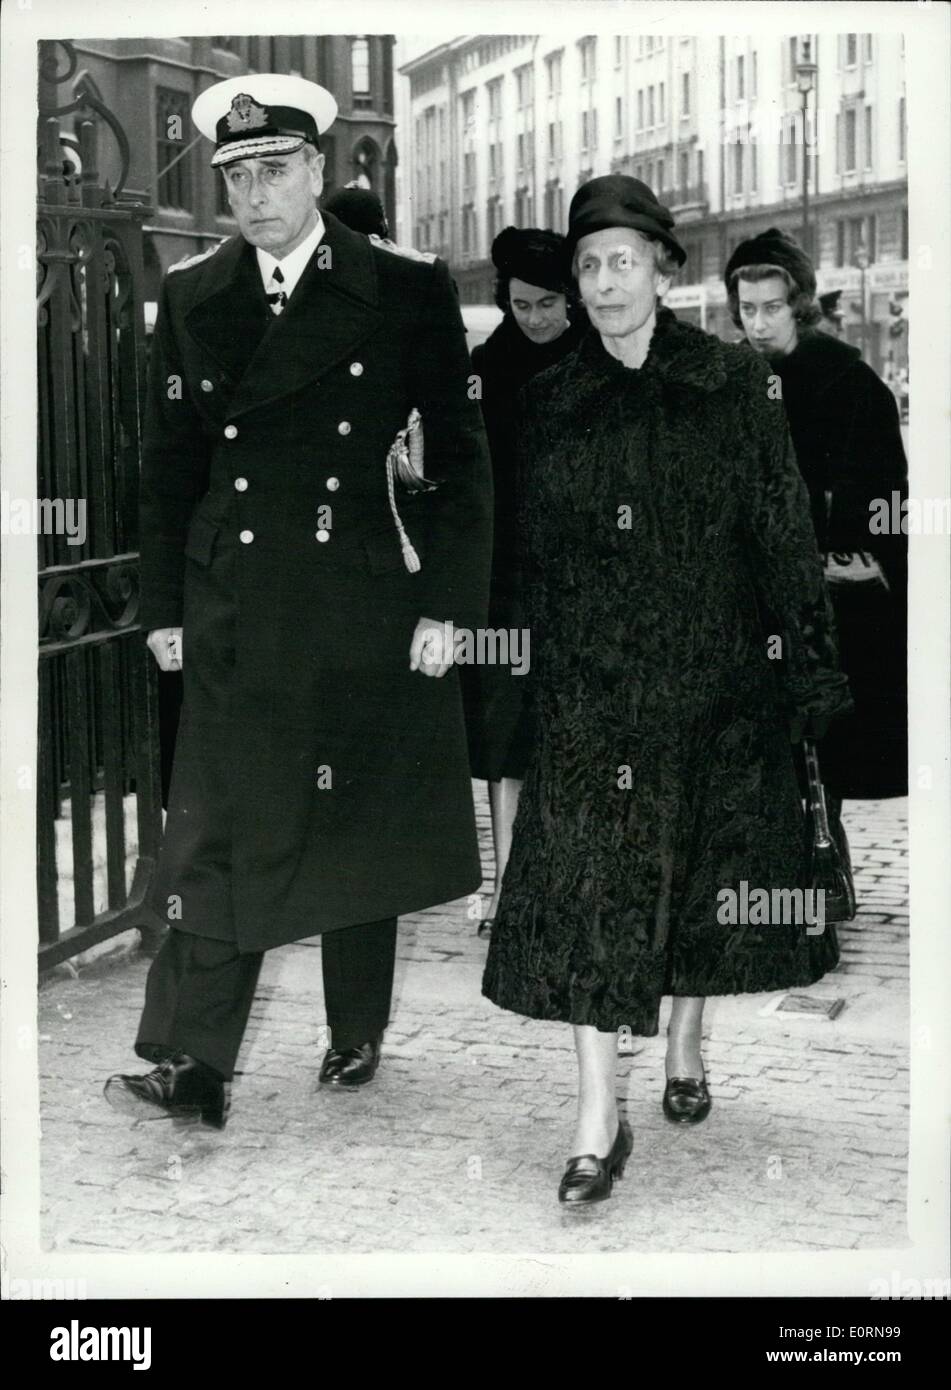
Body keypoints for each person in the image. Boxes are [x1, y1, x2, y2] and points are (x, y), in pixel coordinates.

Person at [104, 74, 492, 1127]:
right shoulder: (193, 295)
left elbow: (461, 460)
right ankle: (193, 1061)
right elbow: (169, 465)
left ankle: (354, 1026)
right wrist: (165, 608)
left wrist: (446, 607)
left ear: (319, 169)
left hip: (361, 590)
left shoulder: (405, 289)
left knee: (353, 819)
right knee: (215, 832)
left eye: (276, 169)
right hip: (236, 602)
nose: (257, 195)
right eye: (237, 177)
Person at [481, 176, 852, 1205]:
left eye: (623, 262)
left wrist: (809, 667)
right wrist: (515, 664)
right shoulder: (550, 402)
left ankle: (685, 1034)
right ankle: (598, 1114)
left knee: (695, 875)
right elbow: (526, 554)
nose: (604, 283)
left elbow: (781, 529)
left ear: (662, 270)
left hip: (714, 680)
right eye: (589, 265)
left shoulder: (734, 386)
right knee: (589, 895)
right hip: (590, 692)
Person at [725, 229, 908, 805]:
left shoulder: (853, 387)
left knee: (822, 766)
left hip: (829, 606)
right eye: (747, 310)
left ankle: (825, 879)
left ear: (800, 306)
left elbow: (886, 502)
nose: (758, 324)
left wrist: (858, 561)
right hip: (741, 600)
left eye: (772, 309)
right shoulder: (725, 385)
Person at [464, 227, 585, 935]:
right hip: (504, 580)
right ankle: (509, 886)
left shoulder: (595, 357)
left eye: (546, 304)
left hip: (580, 579)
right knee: (505, 737)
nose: (535, 318)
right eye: (520, 305)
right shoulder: (487, 367)